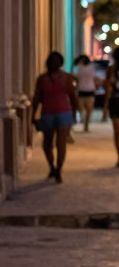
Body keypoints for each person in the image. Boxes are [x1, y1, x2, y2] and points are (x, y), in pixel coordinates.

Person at [31, 52, 78, 183]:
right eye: (53, 60)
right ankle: (53, 167)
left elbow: (73, 97)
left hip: (62, 113)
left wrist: (74, 114)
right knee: (48, 143)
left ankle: (58, 168)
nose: (54, 63)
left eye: (57, 61)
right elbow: (37, 98)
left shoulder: (65, 78)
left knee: (59, 142)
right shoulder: (43, 79)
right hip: (50, 113)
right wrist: (33, 114)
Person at [72, 54, 97, 132]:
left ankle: (85, 124)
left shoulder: (79, 68)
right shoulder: (91, 67)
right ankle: (85, 124)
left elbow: (75, 77)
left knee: (84, 109)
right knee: (86, 110)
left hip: (86, 90)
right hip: (86, 90)